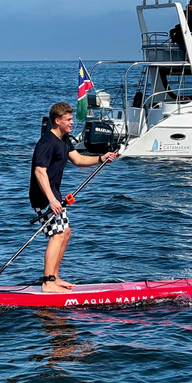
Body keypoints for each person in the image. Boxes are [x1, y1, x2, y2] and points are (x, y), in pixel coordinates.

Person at [29, 102, 118, 293]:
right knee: (57, 234)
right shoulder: (46, 143)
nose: (72, 123)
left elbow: (77, 159)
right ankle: (47, 282)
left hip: (54, 196)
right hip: (43, 197)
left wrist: (101, 158)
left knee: (65, 233)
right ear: (57, 121)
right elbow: (39, 171)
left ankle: (55, 277)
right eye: (68, 120)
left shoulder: (64, 139)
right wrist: (51, 200)